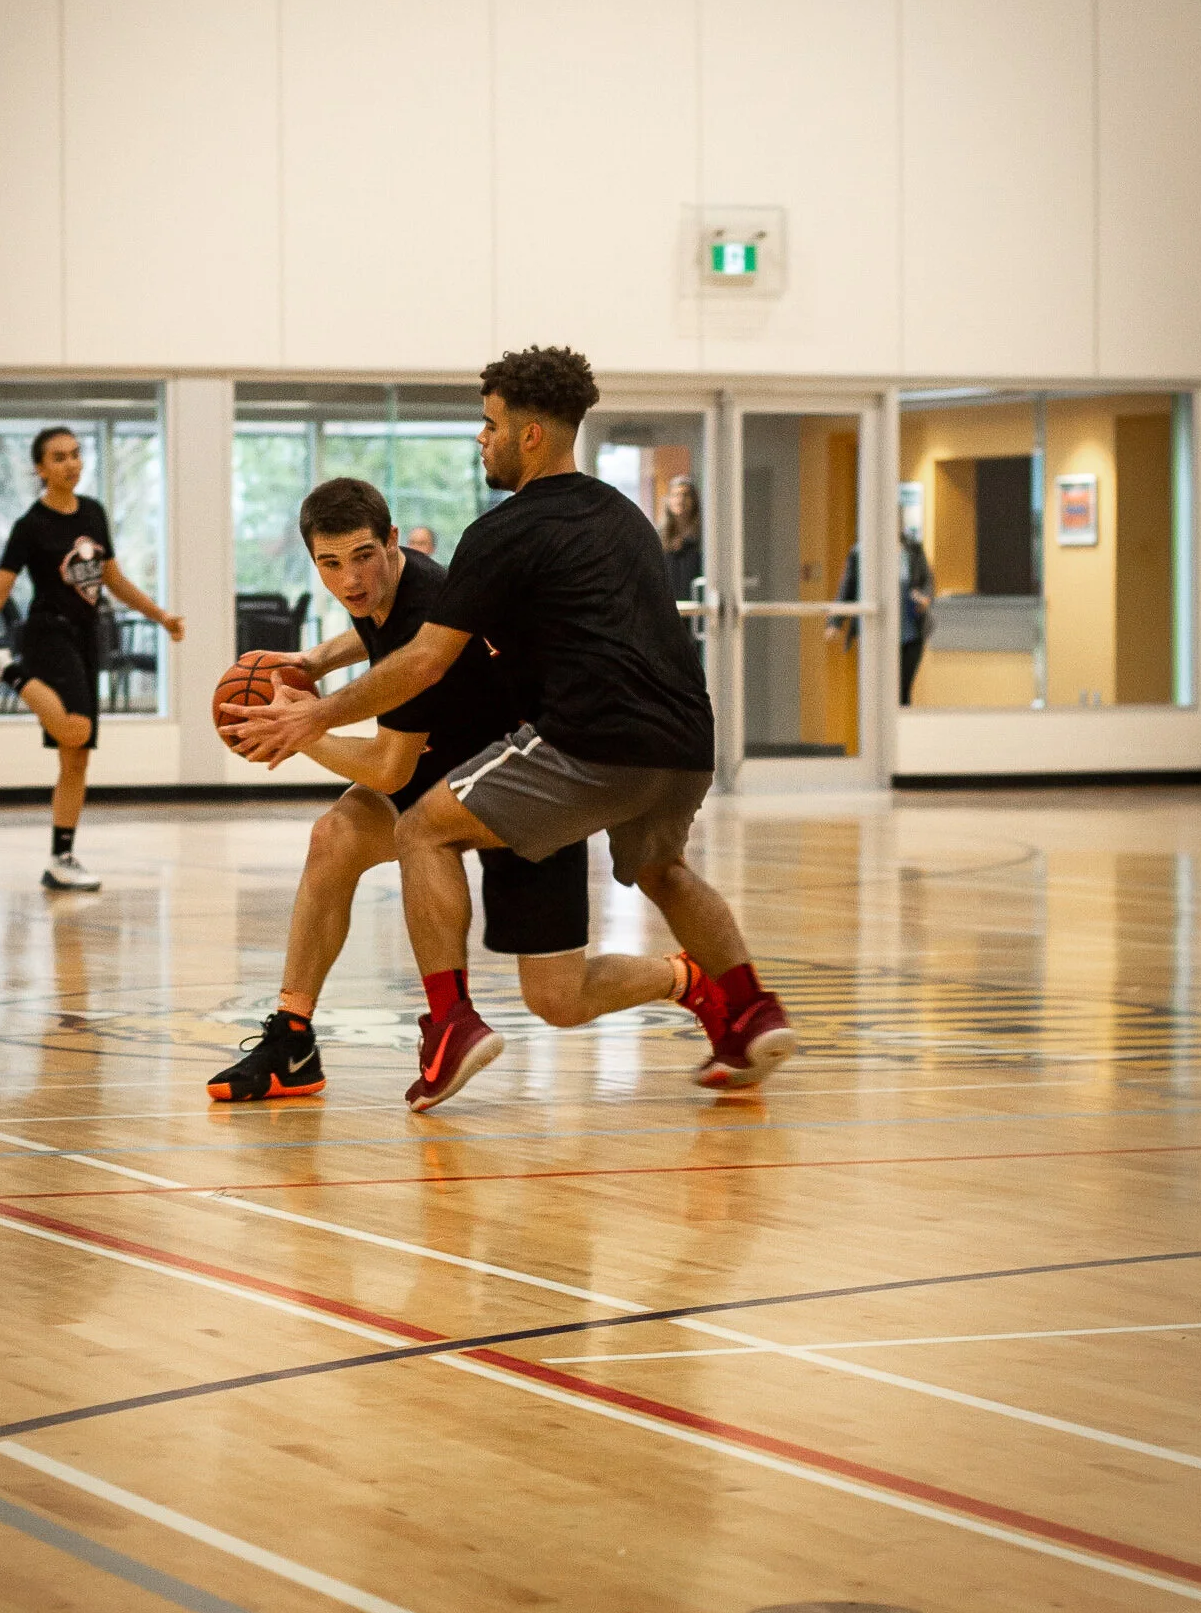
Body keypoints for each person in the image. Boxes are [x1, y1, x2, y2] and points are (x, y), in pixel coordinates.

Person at [226, 346, 794, 1113]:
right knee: (635, 896)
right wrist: (314, 659)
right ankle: (745, 1004)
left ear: (528, 434)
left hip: (559, 757)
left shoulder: (497, 537)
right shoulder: (621, 515)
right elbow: (388, 636)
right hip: (683, 741)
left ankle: (452, 1023)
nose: (480, 438)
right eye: (333, 563)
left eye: (489, 423)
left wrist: (308, 720)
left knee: (425, 837)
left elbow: (416, 681)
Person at [209, 476, 596, 1102]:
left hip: (520, 781)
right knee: (333, 837)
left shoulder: (423, 608)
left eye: (362, 556)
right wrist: (312, 663)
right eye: (329, 564)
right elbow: (369, 631)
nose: (349, 580)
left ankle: (691, 984)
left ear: (391, 541)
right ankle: (294, 1039)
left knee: (560, 997)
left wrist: (300, 731)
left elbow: (389, 768)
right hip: (444, 762)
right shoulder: (396, 580)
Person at [0, 425, 185, 890]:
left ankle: (61, 859)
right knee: (78, 728)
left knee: (75, 760)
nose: (71, 464)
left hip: (85, 638)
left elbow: (113, 579)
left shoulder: (93, 513)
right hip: (47, 635)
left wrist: (161, 616)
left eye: (76, 455)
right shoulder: (30, 526)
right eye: (59, 458)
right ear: (40, 468)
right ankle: (4, 667)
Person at [826, 528, 935, 706]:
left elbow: (927, 583)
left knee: (902, 691)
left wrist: (924, 598)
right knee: (878, 691)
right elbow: (848, 588)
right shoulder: (860, 552)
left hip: (910, 634)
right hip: (875, 634)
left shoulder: (912, 550)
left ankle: (901, 732)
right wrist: (835, 622)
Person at [659, 475, 702, 601]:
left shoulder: (704, 535)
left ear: (694, 500)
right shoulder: (659, 536)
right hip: (668, 607)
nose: (680, 499)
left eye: (685, 495)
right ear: (668, 500)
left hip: (698, 608)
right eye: (675, 495)